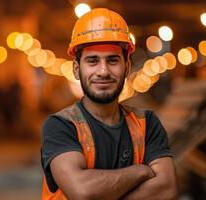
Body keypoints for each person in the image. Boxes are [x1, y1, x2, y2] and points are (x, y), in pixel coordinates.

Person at [41, 8, 178, 200]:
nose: (103, 71)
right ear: (76, 69)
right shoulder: (61, 126)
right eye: (93, 61)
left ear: (127, 67)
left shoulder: (147, 124)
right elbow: (83, 191)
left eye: (113, 60)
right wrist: (140, 171)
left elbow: (167, 189)